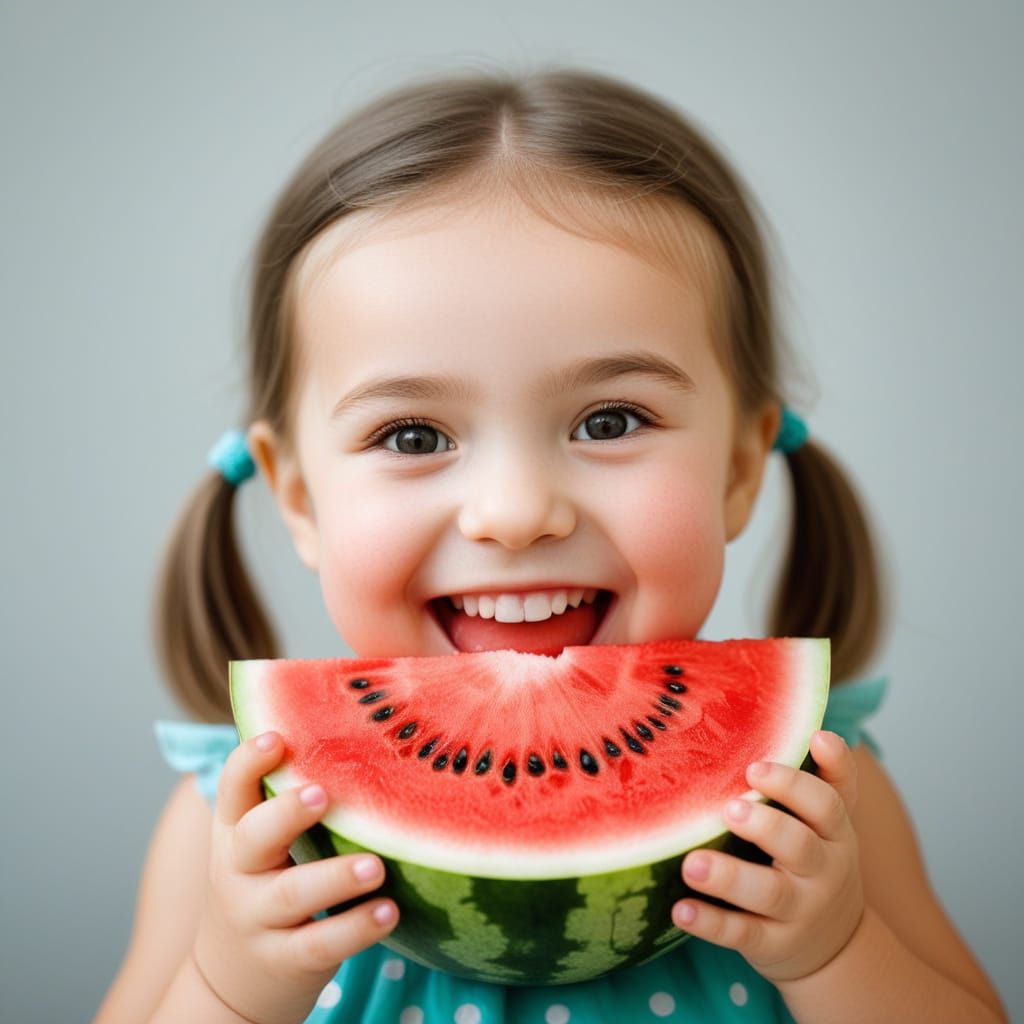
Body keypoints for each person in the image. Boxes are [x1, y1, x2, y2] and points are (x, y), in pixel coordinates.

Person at [94, 67, 1008, 1024]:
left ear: (739, 467)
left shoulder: (818, 794)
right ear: (299, 496)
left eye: (610, 421)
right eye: (414, 437)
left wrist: (839, 951)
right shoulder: (235, 821)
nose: (517, 511)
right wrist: (227, 986)